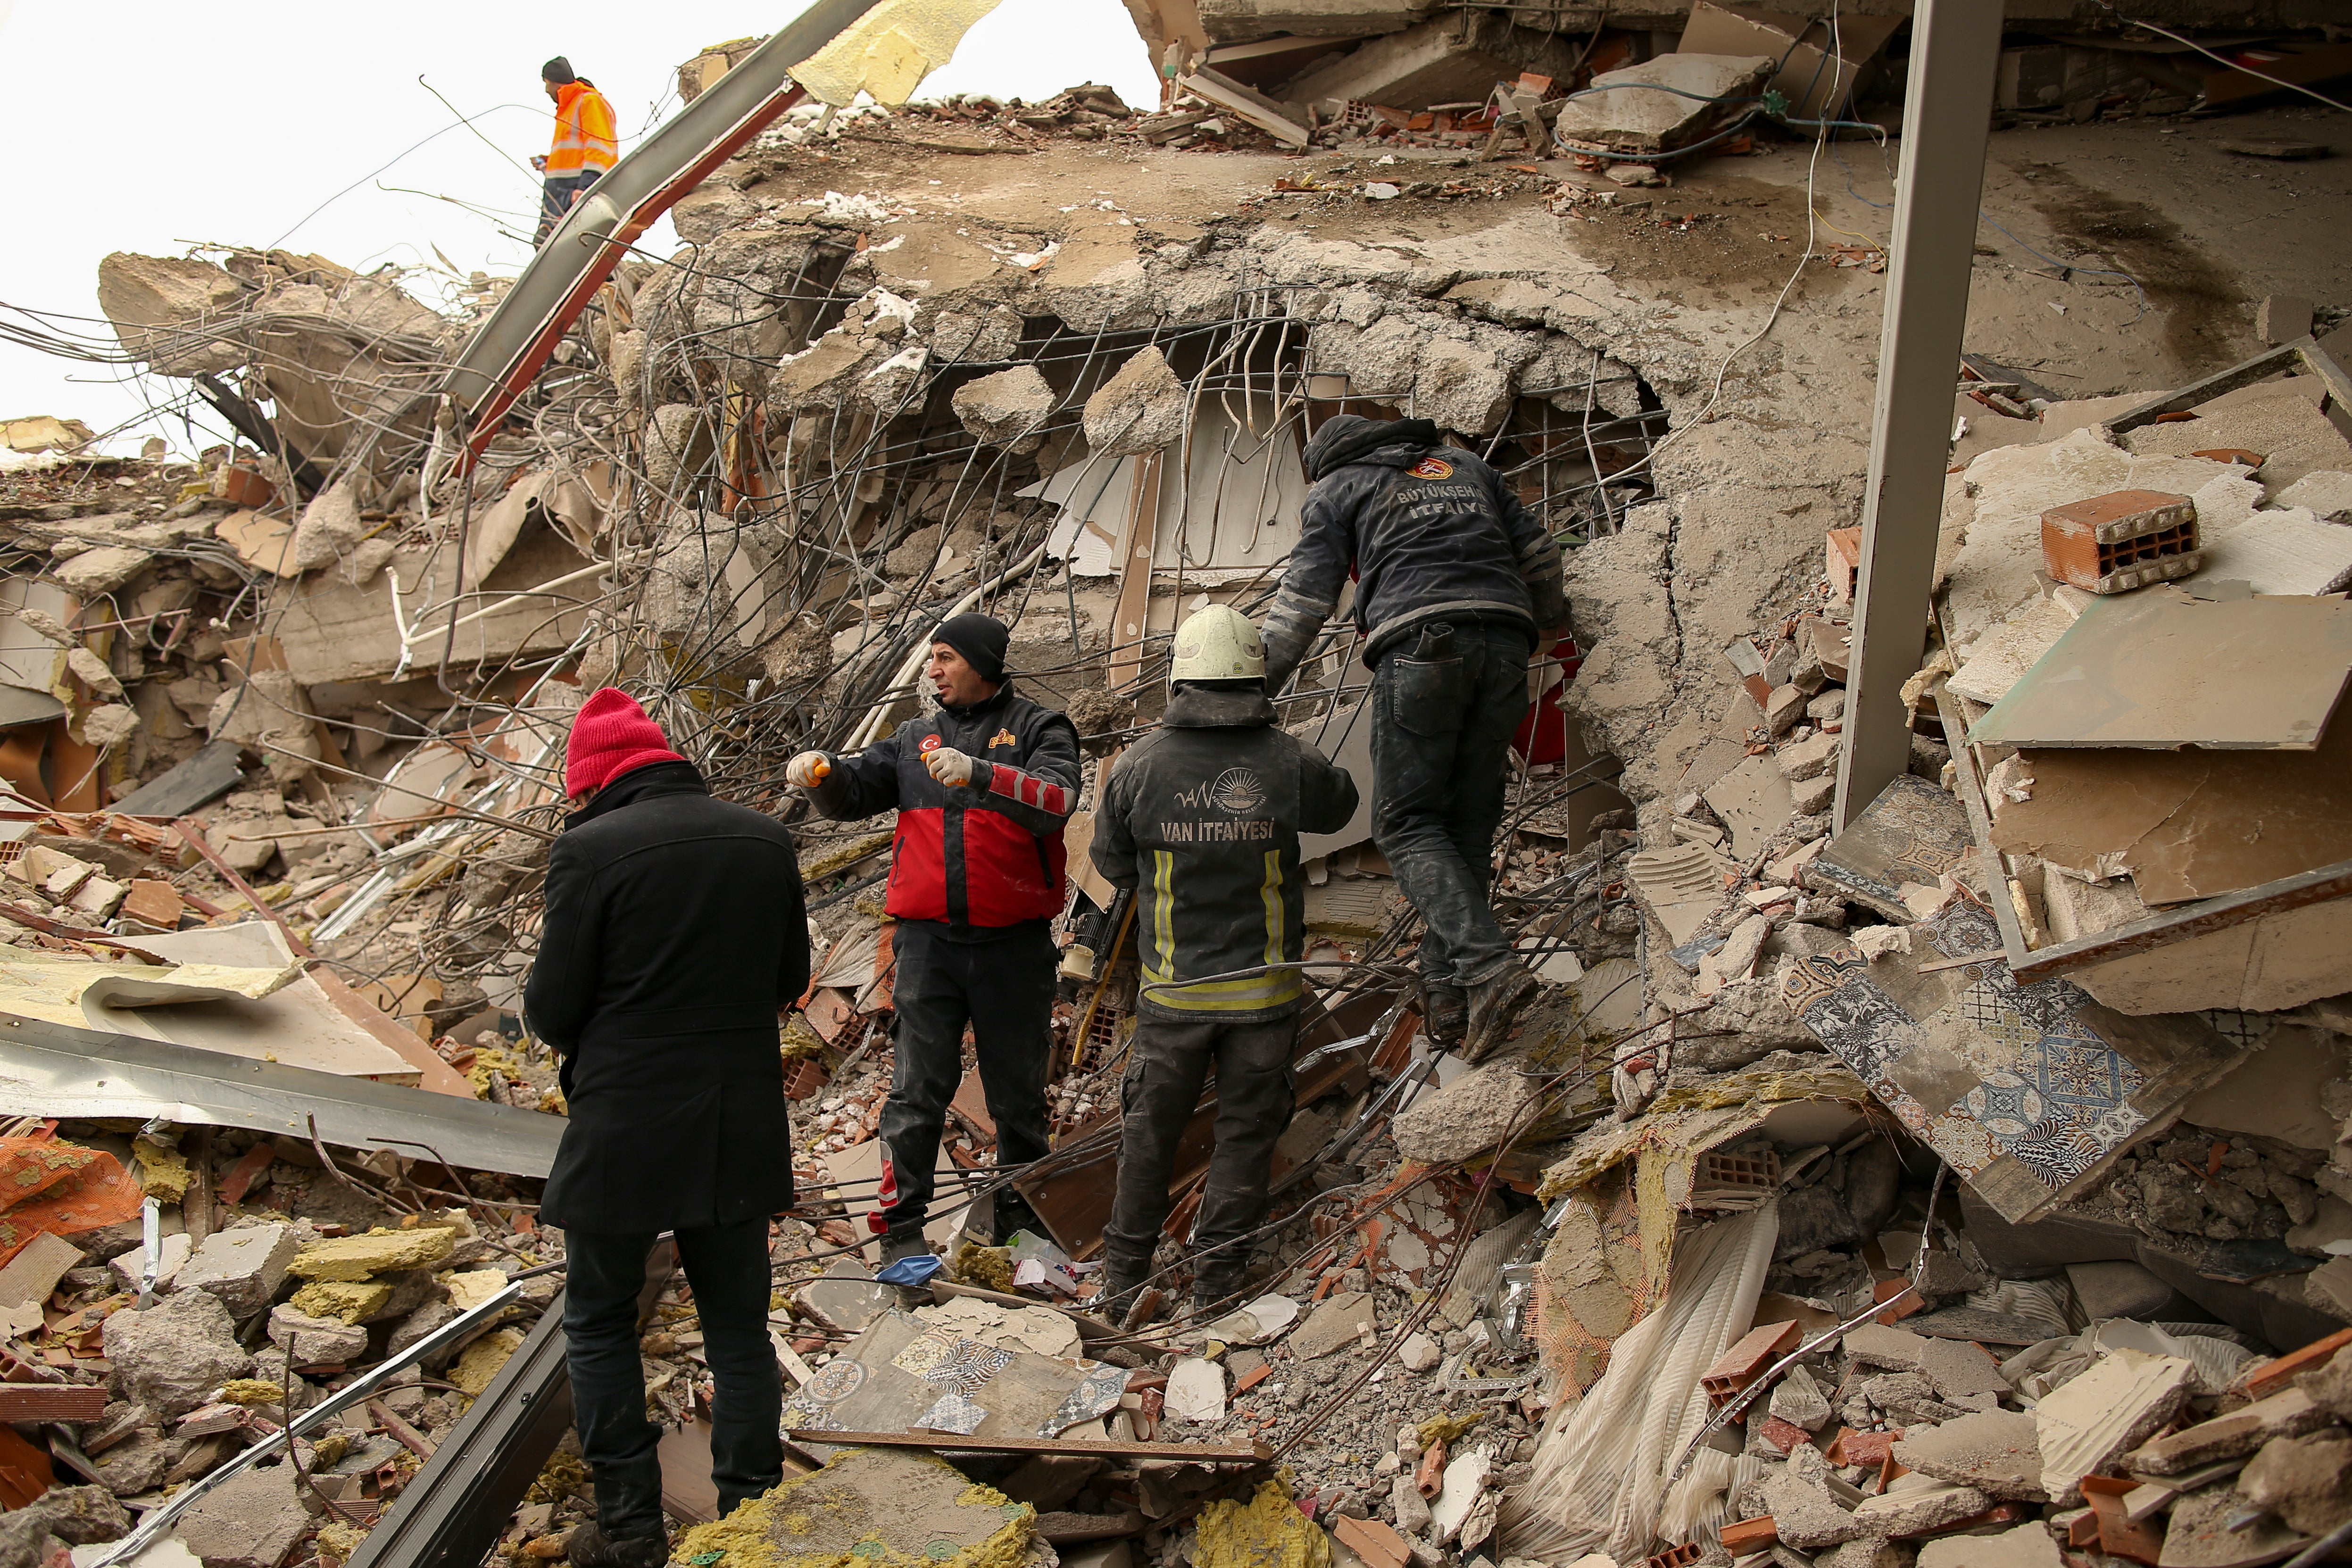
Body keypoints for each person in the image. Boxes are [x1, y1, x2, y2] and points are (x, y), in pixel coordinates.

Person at [524, 688, 807, 1568]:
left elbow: (550, 1009)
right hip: (738, 1112)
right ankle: (749, 1524)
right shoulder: (765, 839)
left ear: (594, 780)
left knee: (602, 1320)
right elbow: (788, 978)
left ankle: (631, 1532)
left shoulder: (588, 852)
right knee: (738, 1325)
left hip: (628, 1121)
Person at [1259, 413, 1567, 1062]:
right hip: (1508, 645)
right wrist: (1546, 624)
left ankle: (1488, 969)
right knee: (1467, 823)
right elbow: (1539, 554)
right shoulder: (1467, 468)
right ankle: (1448, 996)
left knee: (1404, 823)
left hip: (1423, 648)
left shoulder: (1338, 488)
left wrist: (1248, 687)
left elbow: (1303, 602)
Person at [1089, 605, 1358, 1319]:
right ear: (1254, 677)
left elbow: (1112, 866)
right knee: (1245, 1134)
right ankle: (1215, 1282)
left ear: (1179, 677)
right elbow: (1339, 809)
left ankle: (1121, 1285)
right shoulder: (1286, 759)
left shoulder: (1139, 765)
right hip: (1264, 997)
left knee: (1149, 1137)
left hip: (1175, 997)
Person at [786, 614, 1079, 1262]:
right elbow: (856, 790)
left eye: (946, 657)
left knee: (1017, 1097)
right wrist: (822, 777)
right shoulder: (913, 738)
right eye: (931, 659)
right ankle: (900, 1233)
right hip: (928, 947)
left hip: (1013, 948)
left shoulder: (1040, 729)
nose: (933, 670)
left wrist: (979, 773)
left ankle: (1020, 1227)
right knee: (916, 1092)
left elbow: (1056, 800)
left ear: (981, 663)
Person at [534, 56, 618, 246]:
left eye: (547, 83)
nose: (546, 90)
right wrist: (549, 163)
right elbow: (574, 151)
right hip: (558, 191)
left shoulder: (589, 101)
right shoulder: (567, 107)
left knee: (580, 248)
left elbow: (600, 146)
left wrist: (585, 186)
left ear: (555, 82)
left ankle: (607, 277)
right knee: (547, 244)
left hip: (575, 188)